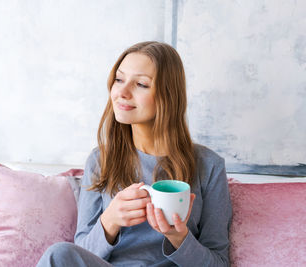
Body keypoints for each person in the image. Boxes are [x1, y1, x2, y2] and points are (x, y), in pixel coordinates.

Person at [37, 41, 232, 266]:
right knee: (59, 254)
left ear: (168, 95)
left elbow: (219, 262)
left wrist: (179, 239)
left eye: (140, 84)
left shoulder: (209, 166)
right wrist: (110, 221)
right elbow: (79, 255)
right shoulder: (100, 160)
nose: (122, 92)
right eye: (119, 80)